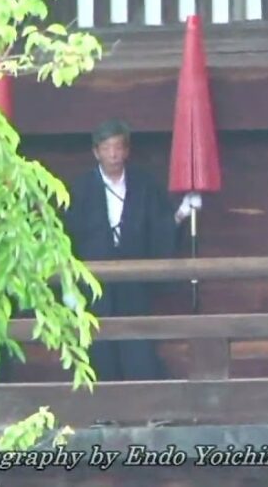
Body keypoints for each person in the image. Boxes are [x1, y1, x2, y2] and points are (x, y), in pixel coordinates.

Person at [63, 119, 199, 381]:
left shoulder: (143, 184)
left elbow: (159, 227)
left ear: (126, 150)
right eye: (106, 148)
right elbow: (69, 234)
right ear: (96, 152)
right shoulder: (81, 188)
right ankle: (104, 414)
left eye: (118, 147)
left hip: (133, 280)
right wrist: (69, 282)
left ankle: (147, 408)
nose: (113, 154)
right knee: (99, 342)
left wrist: (181, 214)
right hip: (95, 280)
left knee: (137, 341)